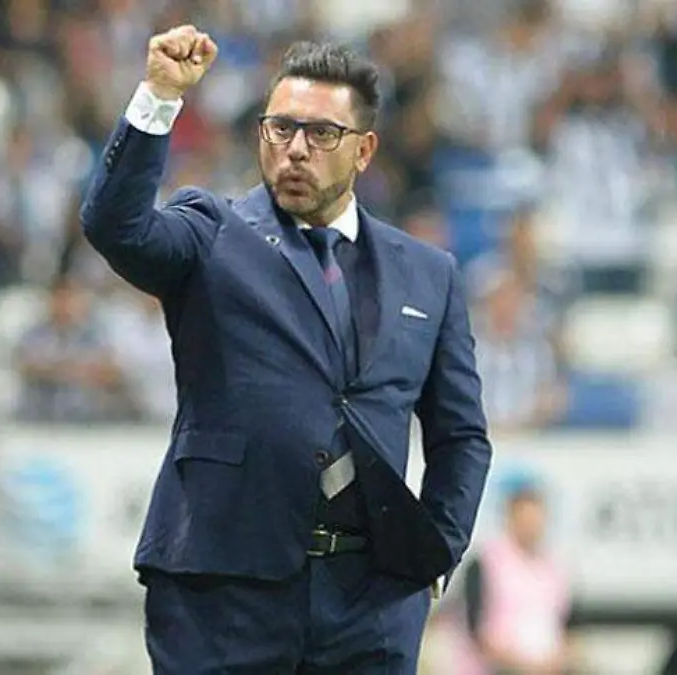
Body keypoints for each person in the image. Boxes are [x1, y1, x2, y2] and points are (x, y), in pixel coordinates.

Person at [78, 25, 493, 673]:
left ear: (364, 150)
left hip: (372, 603)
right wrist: (159, 96)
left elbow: (460, 434)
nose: (296, 148)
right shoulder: (211, 232)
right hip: (222, 591)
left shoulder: (428, 272)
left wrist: (436, 549)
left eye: (322, 133)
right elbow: (115, 226)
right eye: (281, 129)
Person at [461, 480, 575, 674]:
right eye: (525, 519)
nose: (531, 526)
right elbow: (475, 629)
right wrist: (522, 666)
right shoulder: (485, 562)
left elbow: (568, 625)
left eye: (535, 519)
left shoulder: (555, 568)